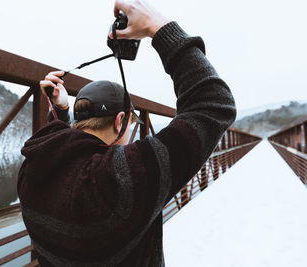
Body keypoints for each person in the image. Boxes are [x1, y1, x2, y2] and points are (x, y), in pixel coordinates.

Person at [17, 0, 236, 266]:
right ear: (120, 121)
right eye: (132, 125)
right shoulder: (121, 178)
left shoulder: (31, 171)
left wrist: (61, 112)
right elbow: (214, 104)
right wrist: (158, 26)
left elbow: (63, 150)